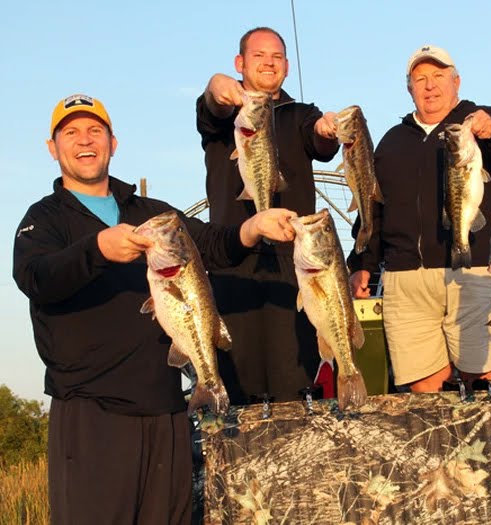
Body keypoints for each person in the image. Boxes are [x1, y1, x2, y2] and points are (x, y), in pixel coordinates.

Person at [12, 94, 297, 524]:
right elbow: (36, 277)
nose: (85, 141)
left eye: (95, 131)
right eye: (70, 133)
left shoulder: (151, 213)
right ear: (53, 148)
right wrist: (98, 248)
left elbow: (212, 246)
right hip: (92, 415)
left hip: (166, 411)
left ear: (113, 142)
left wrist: (252, 228)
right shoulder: (44, 220)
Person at [347, 45, 491, 392]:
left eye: (438, 76)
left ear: (457, 82)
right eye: (420, 79)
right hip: (406, 282)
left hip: (477, 273)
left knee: (487, 386)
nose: (430, 86)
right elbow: (373, 209)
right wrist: (363, 262)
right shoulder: (391, 142)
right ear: (409, 89)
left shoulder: (480, 127)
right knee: (425, 397)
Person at [196, 26, 340, 404]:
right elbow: (211, 106)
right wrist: (216, 87)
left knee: (294, 379)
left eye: (276, 57)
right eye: (259, 56)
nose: (269, 63)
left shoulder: (300, 114)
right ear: (239, 63)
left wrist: (327, 130)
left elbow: (322, 143)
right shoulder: (225, 115)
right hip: (231, 262)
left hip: (291, 264)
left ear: (288, 67)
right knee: (237, 378)